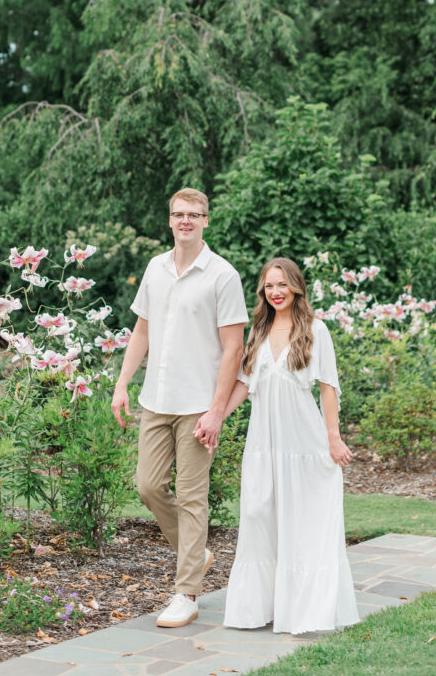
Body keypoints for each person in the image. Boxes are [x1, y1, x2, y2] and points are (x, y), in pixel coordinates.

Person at [111, 188, 248, 628]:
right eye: (178, 214)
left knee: (192, 498)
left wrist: (216, 411)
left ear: (206, 220)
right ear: (169, 220)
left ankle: (186, 592)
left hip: (197, 405)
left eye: (194, 214)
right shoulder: (155, 268)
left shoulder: (222, 276)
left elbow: (234, 351)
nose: (185, 220)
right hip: (156, 399)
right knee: (148, 486)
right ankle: (198, 553)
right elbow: (141, 331)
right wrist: (122, 384)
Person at [221, 257, 359, 636]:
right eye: (269, 286)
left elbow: (328, 387)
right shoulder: (258, 330)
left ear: (296, 287)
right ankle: (260, 607)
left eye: (282, 284)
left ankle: (304, 610)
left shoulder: (316, 330)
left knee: (302, 522)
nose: (276, 292)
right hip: (264, 444)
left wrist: (333, 437)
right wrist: (216, 417)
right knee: (257, 516)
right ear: (263, 292)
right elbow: (245, 384)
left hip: (304, 444)